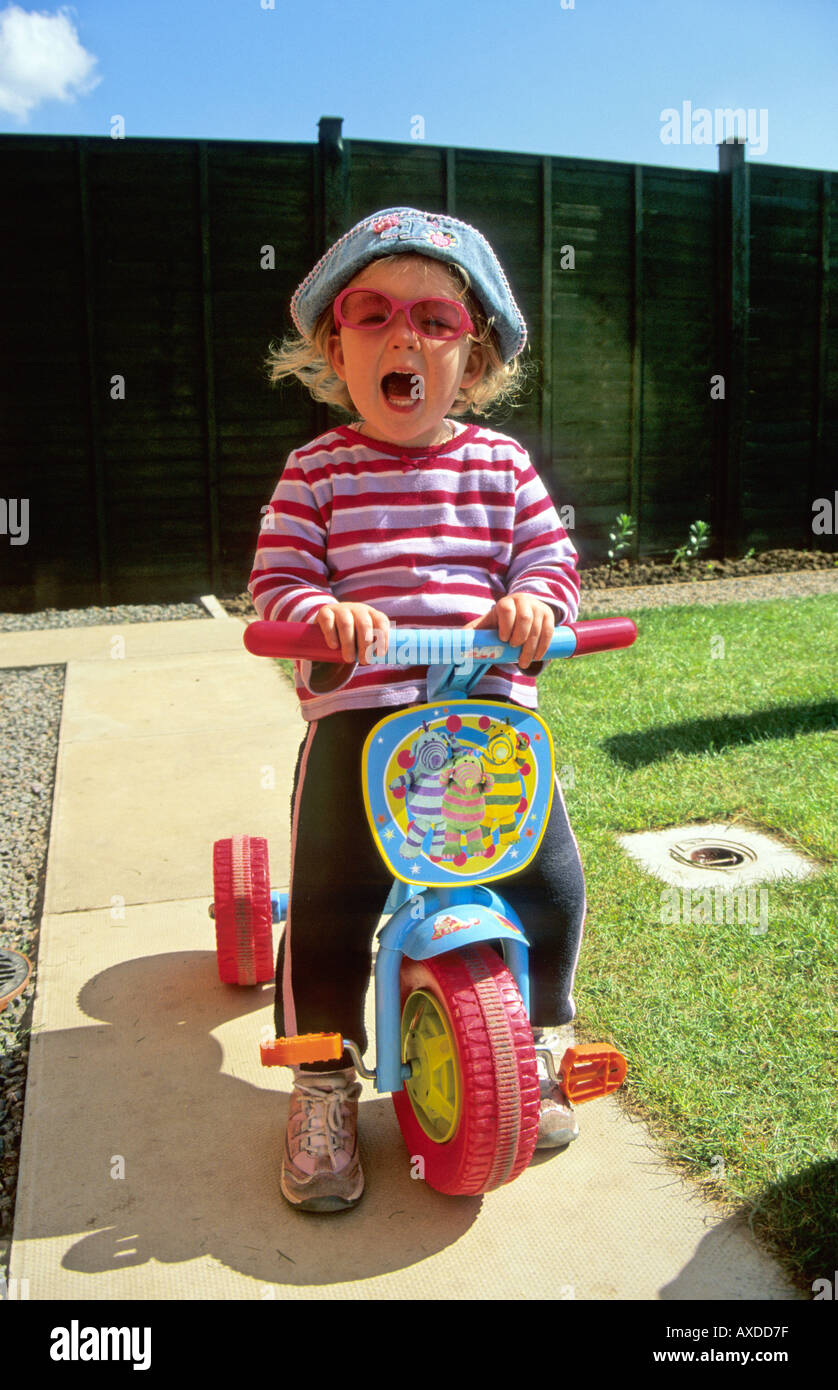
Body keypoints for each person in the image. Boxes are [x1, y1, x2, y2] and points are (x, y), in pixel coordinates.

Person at [249, 207, 586, 1213]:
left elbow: (548, 557)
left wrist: (537, 602)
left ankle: (537, 1034)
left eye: (436, 320)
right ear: (333, 348)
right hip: (363, 719)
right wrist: (321, 615)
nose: (406, 337)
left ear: (472, 359)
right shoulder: (315, 473)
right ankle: (321, 1079)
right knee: (329, 896)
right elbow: (276, 584)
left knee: (550, 876)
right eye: (374, 313)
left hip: (481, 717)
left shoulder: (501, 467)